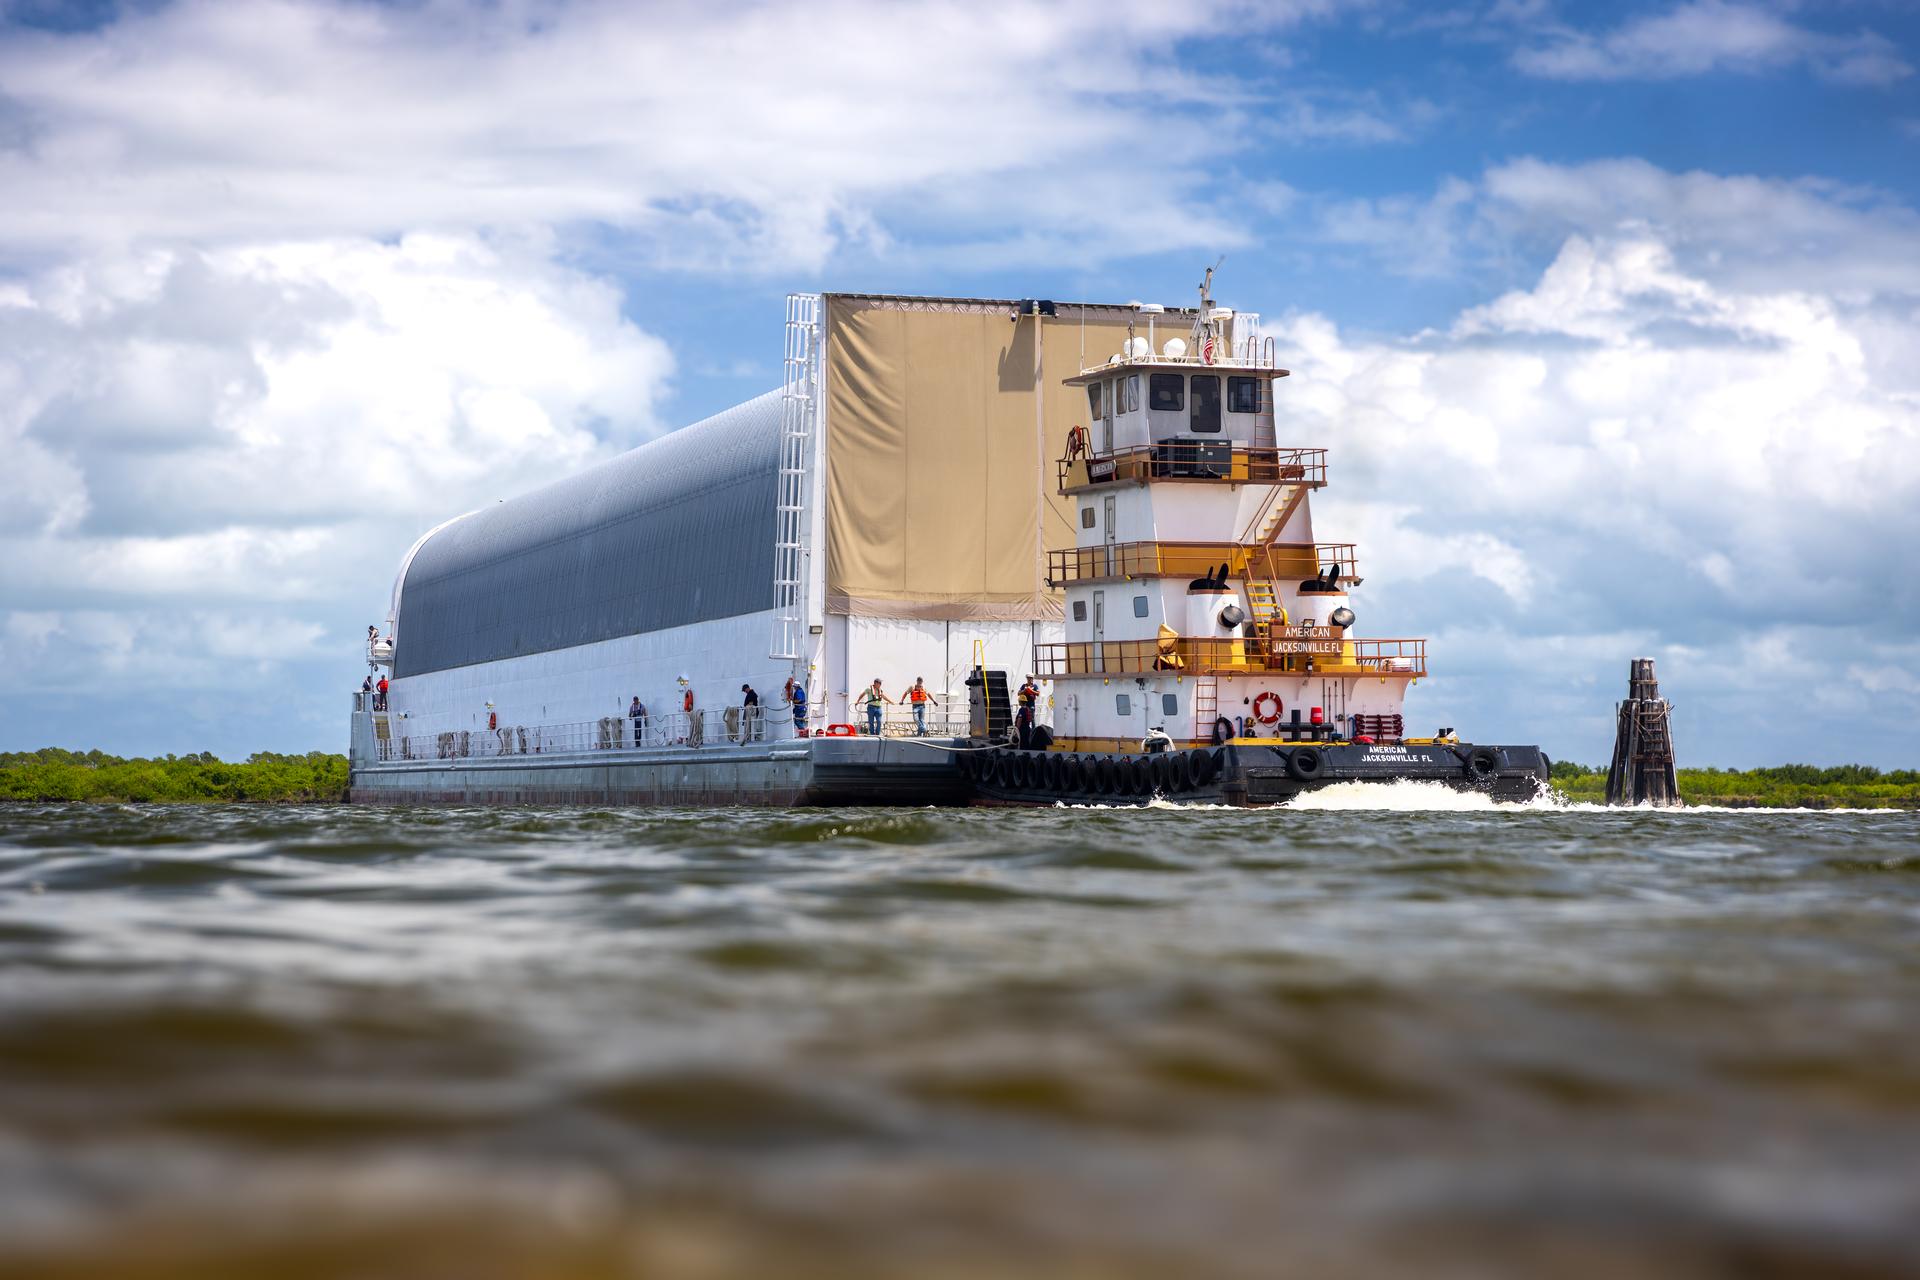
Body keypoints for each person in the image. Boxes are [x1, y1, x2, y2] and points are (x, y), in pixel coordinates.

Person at [1015, 675, 1040, 749]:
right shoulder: (1024, 686)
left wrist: (1031, 690)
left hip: (1031, 705)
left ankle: (1033, 731)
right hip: (1025, 705)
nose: (1030, 680)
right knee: (1024, 718)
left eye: (1031, 678)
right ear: (1027, 679)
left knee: (1032, 719)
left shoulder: (1035, 686)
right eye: (1029, 678)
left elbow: (1038, 693)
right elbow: (1019, 693)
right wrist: (1025, 690)